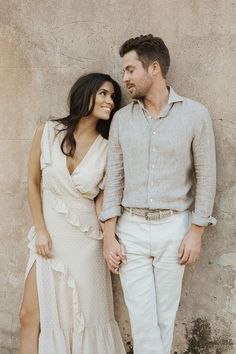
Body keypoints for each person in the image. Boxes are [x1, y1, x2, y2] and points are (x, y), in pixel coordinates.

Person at [100, 34, 216, 354]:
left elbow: (207, 177)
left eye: (129, 69)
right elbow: (114, 180)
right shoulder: (122, 120)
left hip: (174, 228)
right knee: (142, 320)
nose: (124, 78)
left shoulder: (195, 114)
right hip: (131, 229)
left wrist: (196, 232)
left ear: (154, 69)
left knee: (165, 318)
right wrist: (109, 236)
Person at [19, 73, 126, 354]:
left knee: (84, 321)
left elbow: (104, 202)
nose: (110, 101)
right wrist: (41, 230)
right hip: (49, 237)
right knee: (29, 316)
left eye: (113, 96)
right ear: (86, 94)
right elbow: (32, 183)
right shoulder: (47, 131)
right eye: (103, 93)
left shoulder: (108, 147)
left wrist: (110, 239)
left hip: (87, 244)